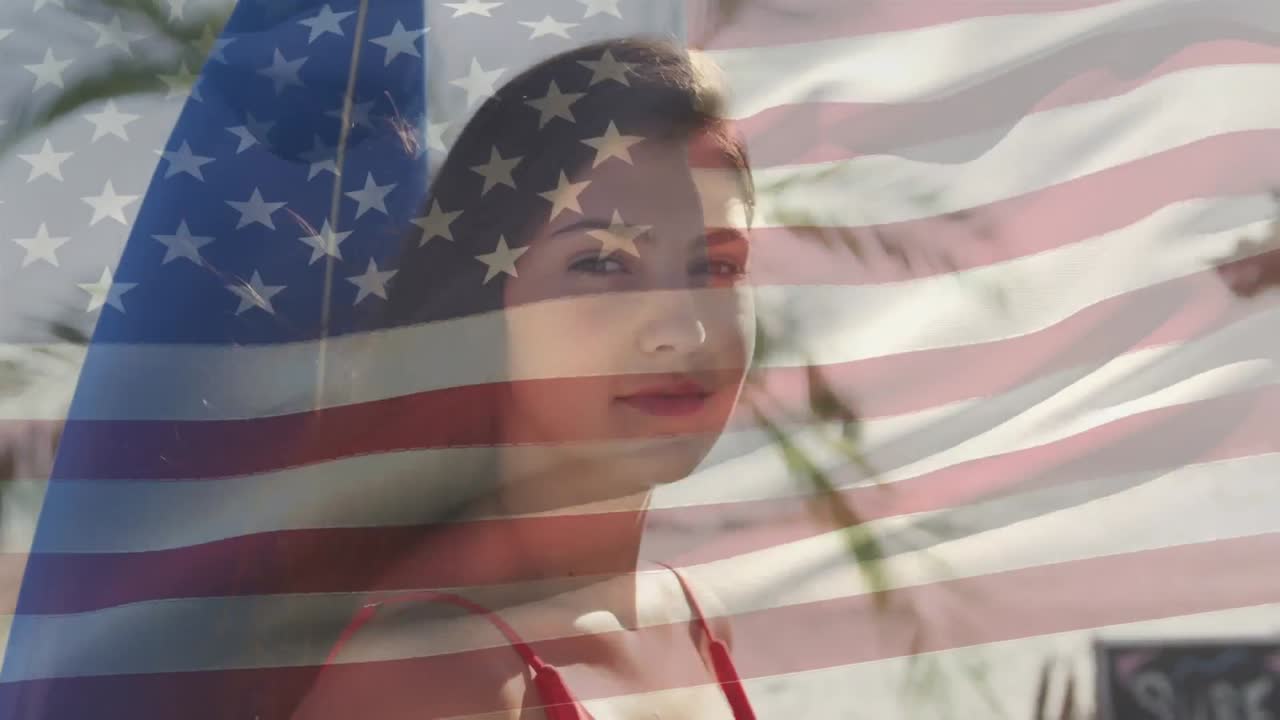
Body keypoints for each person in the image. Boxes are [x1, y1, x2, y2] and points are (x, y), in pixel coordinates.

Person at [292, 35, 759, 719]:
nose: (683, 331)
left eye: (716, 266)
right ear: (484, 303)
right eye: (601, 263)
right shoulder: (433, 681)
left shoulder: (696, 621)